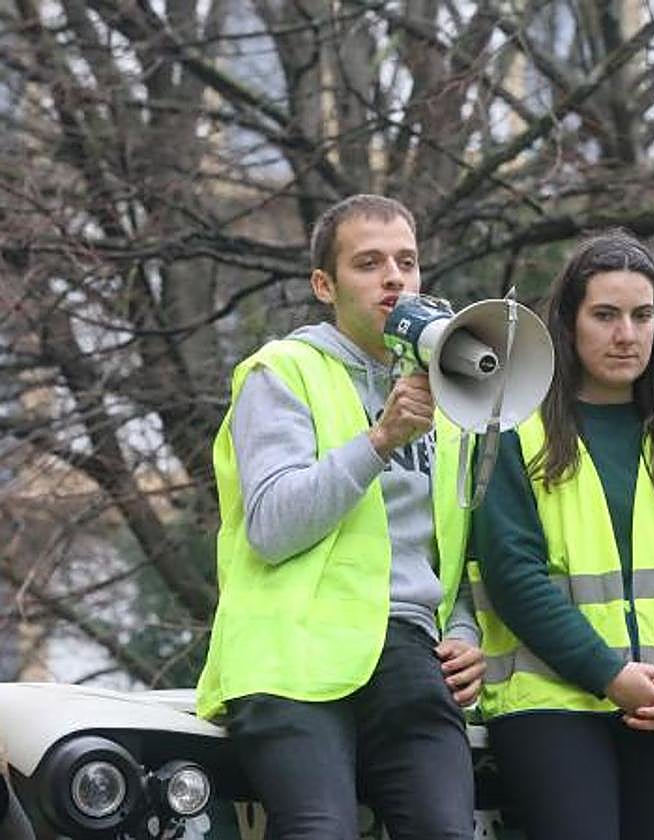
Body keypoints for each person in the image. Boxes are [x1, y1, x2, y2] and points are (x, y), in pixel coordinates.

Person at [195, 194, 484, 840]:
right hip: (295, 649)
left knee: (445, 830)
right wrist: (379, 441)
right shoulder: (283, 373)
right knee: (318, 829)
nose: (394, 278)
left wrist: (466, 630)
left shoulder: (450, 397)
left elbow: (456, 551)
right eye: (369, 263)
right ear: (324, 285)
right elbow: (272, 525)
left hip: (410, 650)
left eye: (407, 263)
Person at [467, 229, 654, 840]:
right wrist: (610, 676)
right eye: (605, 315)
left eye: (642, 315)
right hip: (551, 704)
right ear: (568, 325)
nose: (627, 334)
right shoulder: (516, 432)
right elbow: (513, 577)